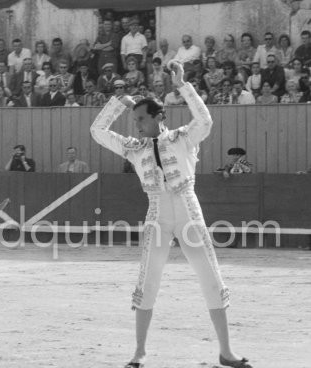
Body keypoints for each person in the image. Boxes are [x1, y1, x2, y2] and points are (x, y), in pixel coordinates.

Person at [90, 60, 252, 368]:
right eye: (134, 118)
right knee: (148, 282)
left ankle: (226, 352)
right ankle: (139, 352)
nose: (135, 123)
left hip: (189, 212)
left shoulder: (181, 138)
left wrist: (183, 85)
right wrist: (118, 103)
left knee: (211, 280)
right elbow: (97, 131)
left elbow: (205, 121)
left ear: (158, 116)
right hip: (157, 216)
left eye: (140, 118)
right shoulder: (134, 148)